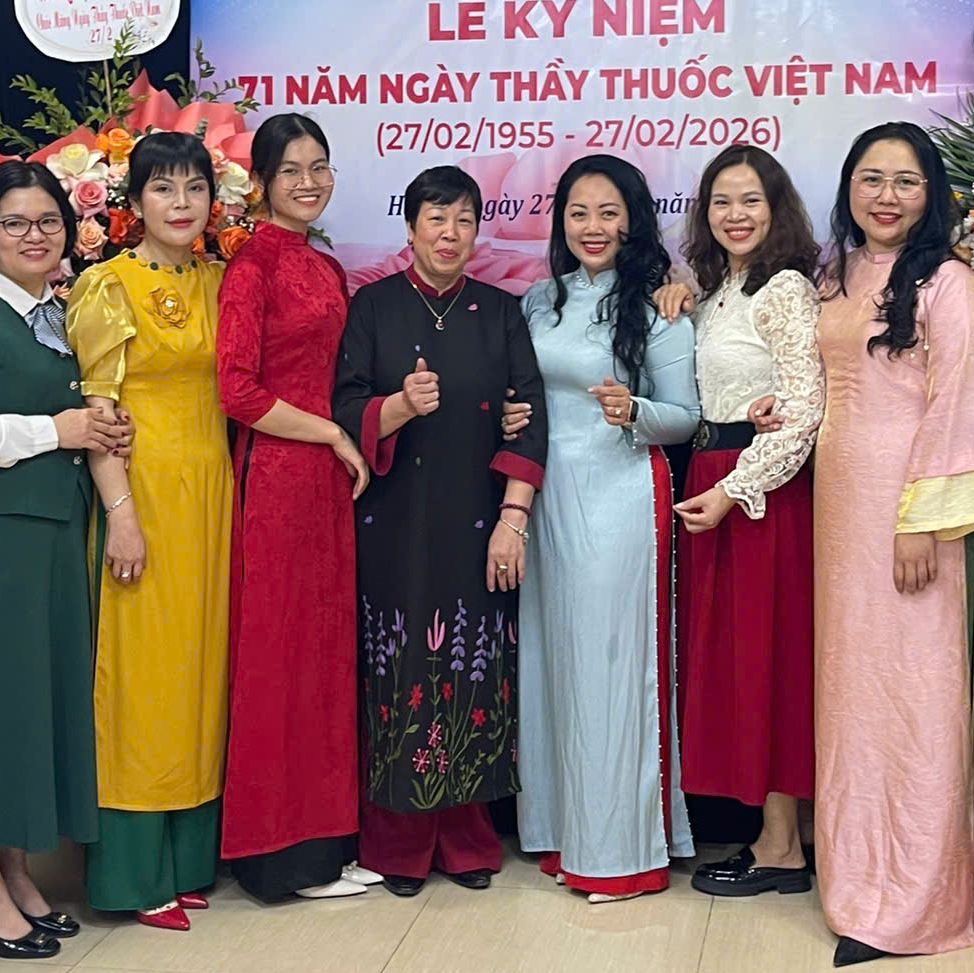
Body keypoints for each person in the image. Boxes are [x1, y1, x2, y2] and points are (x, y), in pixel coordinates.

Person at [0, 160, 128, 960]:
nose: (34, 236)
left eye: (48, 221)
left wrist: (96, 428)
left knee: (28, 703)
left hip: (48, 528)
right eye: (15, 223)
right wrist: (54, 432)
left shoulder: (55, 311)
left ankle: (13, 868)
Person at [814, 122, 974, 965]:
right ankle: (855, 879)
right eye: (870, 178)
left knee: (916, 693)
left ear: (932, 196)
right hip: (838, 506)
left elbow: (958, 405)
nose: (885, 197)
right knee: (851, 693)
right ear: (848, 188)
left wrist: (922, 519)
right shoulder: (835, 274)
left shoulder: (949, 283)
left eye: (906, 181)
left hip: (908, 507)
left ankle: (918, 900)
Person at [336, 166, 548, 893]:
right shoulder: (372, 306)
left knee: (472, 673)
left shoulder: (500, 312)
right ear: (410, 228)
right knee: (399, 672)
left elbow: (531, 413)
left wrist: (513, 520)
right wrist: (398, 406)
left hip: (476, 520)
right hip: (392, 522)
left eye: (463, 220)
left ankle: (465, 839)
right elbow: (342, 405)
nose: (450, 234)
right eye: (436, 219)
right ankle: (397, 843)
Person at [518, 154, 700, 900]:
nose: (592, 227)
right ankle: (567, 833)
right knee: (553, 662)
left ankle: (623, 852)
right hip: (544, 498)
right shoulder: (539, 299)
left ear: (634, 221)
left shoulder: (656, 306)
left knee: (611, 666)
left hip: (620, 494)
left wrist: (635, 410)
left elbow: (684, 416)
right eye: (578, 213)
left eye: (608, 212)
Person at [68, 132, 234, 929]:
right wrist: (121, 515)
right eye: (162, 188)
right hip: (143, 494)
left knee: (202, 670)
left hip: (213, 496)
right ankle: (134, 872)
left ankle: (189, 858)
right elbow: (99, 412)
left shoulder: (222, 281)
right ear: (132, 203)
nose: (181, 203)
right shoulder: (107, 284)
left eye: (194, 188)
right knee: (142, 679)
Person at [218, 114, 375, 902]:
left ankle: (326, 846)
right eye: (291, 171)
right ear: (259, 184)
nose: (309, 182)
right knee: (278, 658)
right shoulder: (251, 266)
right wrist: (331, 433)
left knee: (324, 654)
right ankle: (273, 856)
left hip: (325, 483)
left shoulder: (325, 266)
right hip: (279, 477)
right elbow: (237, 390)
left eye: (320, 167)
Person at [669, 145, 824, 898]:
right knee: (737, 663)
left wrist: (737, 489)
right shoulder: (719, 289)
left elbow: (804, 411)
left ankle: (784, 845)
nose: (735, 215)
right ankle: (771, 834)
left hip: (759, 493)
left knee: (770, 661)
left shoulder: (786, 288)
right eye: (721, 202)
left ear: (777, 209)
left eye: (751, 200)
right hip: (714, 479)